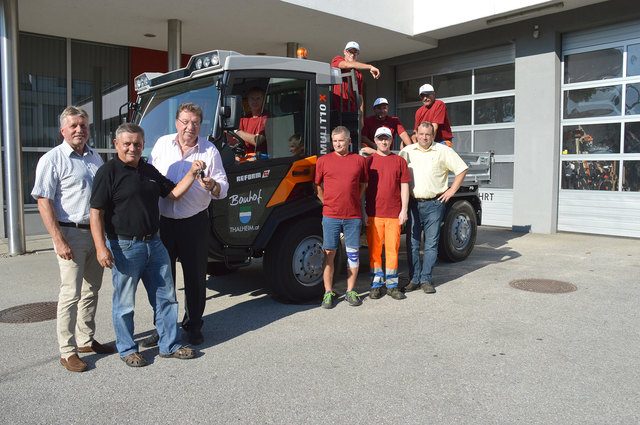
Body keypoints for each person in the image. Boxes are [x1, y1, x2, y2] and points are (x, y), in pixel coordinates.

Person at [89, 123, 204, 367]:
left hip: (155, 244)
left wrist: (192, 173)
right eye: (127, 144)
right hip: (124, 247)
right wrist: (101, 247)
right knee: (125, 303)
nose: (133, 148)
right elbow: (96, 213)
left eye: (137, 144)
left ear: (143, 145)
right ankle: (128, 349)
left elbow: (173, 194)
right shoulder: (108, 172)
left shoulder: (148, 169)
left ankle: (170, 345)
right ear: (116, 144)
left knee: (166, 299)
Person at [31, 106, 114, 372]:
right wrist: (58, 239)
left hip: (95, 233)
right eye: (74, 126)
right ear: (63, 130)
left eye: (84, 126)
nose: (80, 130)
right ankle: (67, 352)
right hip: (70, 233)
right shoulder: (52, 159)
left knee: (91, 291)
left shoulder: (95, 158)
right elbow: (43, 201)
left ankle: (85, 339)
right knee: (70, 294)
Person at [148, 103, 229, 346]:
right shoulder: (162, 144)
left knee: (194, 277)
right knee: (163, 278)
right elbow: (150, 174)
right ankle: (164, 326)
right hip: (164, 223)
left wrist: (213, 185)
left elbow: (223, 188)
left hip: (194, 222)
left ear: (200, 125)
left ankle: (193, 325)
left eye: (194, 123)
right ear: (176, 123)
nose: (189, 127)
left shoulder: (209, 151)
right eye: (185, 121)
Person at [400, 122, 468, 294]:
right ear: (416, 134)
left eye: (428, 135)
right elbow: (398, 176)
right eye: (421, 134)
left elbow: (461, 169)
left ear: (432, 135)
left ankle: (426, 279)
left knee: (431, 245)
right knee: (413, 244)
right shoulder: (407, 152)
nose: (424, 137)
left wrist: (452, 190)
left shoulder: (443, 151)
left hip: (434, 205)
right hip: (413, 204)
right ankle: (414, 279)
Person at [314, 126, 368, 309]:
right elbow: (318, 187)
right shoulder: (323, 161)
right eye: (335, 141)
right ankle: (328, 293)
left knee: (353, 255)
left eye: (341, 140)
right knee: (329, 254)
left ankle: (350, 291)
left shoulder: (359, 161)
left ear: (349, 141)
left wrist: (353, 201)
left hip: (353, 216)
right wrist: (327, 203)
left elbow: (363, 185)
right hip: (330, 216)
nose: (337, 144)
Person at [363, 127, 411, 300]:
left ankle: (392, 285)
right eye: (380, 139)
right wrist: (363, 211)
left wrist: (404, 210)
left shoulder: (399, 161)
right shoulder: (368, 162)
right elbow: (362, 189)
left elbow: (405, 186)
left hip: (393, 214)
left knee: (392, 251)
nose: (384, 142)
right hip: (374, 214)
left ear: (391, 141)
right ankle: (376, 285)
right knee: (375, 252)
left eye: (387, 139)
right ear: (375, 141)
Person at [331, 41, 380, 113]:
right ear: (344, 52)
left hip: (352, 112)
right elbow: (345, 65)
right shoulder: (338, 59)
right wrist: (370, 67)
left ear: (358, 54)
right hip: (337, 109)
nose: (352, 55)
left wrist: (361, 117)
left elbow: (360, 97)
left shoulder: (358, 74)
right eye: (350, 52)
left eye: (355, 52)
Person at [235, 87, 268, 154]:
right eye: (252, 98)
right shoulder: (244, 119)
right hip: (244, 159)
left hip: (262, 160)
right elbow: (235, 141)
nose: (255, 101)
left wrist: (235, 131)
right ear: (248, 100)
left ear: (263, 100)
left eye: (258, 98)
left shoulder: (267, 117)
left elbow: (257, 141)